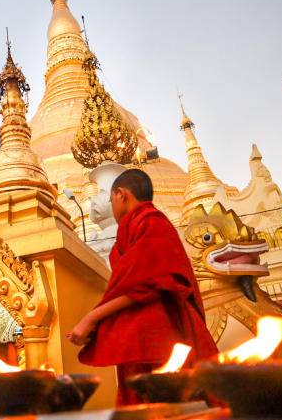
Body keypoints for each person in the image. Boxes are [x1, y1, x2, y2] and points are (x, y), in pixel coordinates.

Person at [67, 169, 218, 406]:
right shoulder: (130, 231)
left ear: (120, 194)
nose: (110, 205)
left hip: (164, 334)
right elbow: (130, 285)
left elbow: (146, 285)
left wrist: (92, 318)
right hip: (137, 339)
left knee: (175, 403)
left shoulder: (153, 224)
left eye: (109, 199)